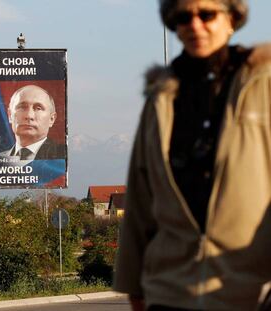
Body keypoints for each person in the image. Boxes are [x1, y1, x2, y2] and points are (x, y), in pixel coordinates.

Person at [114, 0, 271, 310]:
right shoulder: (161, 98)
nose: (195, 25)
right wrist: (134, 285)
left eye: (207, 14)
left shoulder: (262, 84)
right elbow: (140, 198)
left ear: (232, 19)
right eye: (184, 17)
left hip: (249, 288)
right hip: (170, 290)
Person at [0, 85, 66, 160]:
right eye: (22, 107)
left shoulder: (66, 156)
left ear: (51, 119)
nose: (29, 116)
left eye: (38, 108)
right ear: (10, 115)